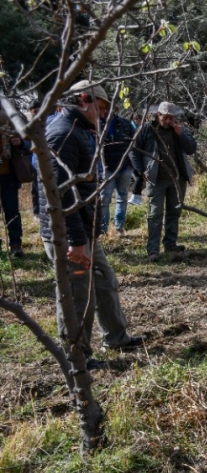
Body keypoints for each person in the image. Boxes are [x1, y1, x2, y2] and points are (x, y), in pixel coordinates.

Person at [42, 80, 144, 367]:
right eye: (98, 108)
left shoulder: (81, 132)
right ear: (83, 100)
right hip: (68, 234)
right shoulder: (63, 134)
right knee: (77, 297)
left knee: (104, 280)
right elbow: (60, 195)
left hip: (83, 229)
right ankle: (77, 357)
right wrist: (74, 241)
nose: (101, 116)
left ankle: (116, 336)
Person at [130, 101, 197, 261]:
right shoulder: (147, 129)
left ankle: (170, 244)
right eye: (166, 117)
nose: (168, 121)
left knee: (174, 212)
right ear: (158, 115)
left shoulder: (178, 129)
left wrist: (180, 132)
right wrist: (141, 171)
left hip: (177, 179)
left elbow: (191, 148)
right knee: (155, 215)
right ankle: (153, 250)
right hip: (156, 179)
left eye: (171, 118)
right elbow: (133, 150)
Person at [96, 90, 137, 237]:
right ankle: (103, 230)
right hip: (106, 169)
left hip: (124, 168)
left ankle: (119, 228)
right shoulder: (96, 125)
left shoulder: (126, 124)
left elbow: (134, 143)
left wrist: (132, 165)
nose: (107, 111)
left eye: (110, 108)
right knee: (104, 199)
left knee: (122, 198)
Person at [0, 128, 27, 256]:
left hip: (8, 176)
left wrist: (20, 143)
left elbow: (29, 144)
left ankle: (16, 244)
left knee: (12, 211)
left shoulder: (11, 124)